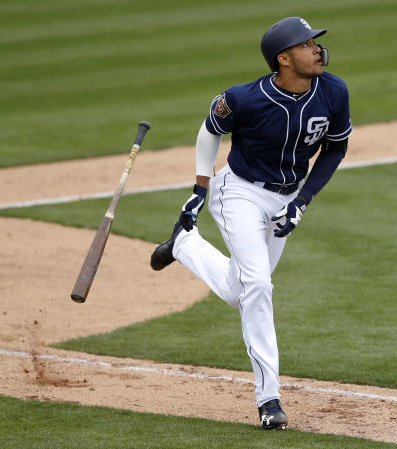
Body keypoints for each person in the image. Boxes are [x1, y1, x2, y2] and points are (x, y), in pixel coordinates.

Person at [150, 16, 352, 430]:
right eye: (306, 43)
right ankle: (269, 400)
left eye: (315, 41)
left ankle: (185, 246)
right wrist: (199, 189)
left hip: (287, 196)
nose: (316, 48)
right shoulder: (244, 99)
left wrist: (304, 201)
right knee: (258, 285)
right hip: (239, 191)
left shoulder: (333, 91)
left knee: (242, 293)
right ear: (284, 59)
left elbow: (335, 148)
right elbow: (210, 132)